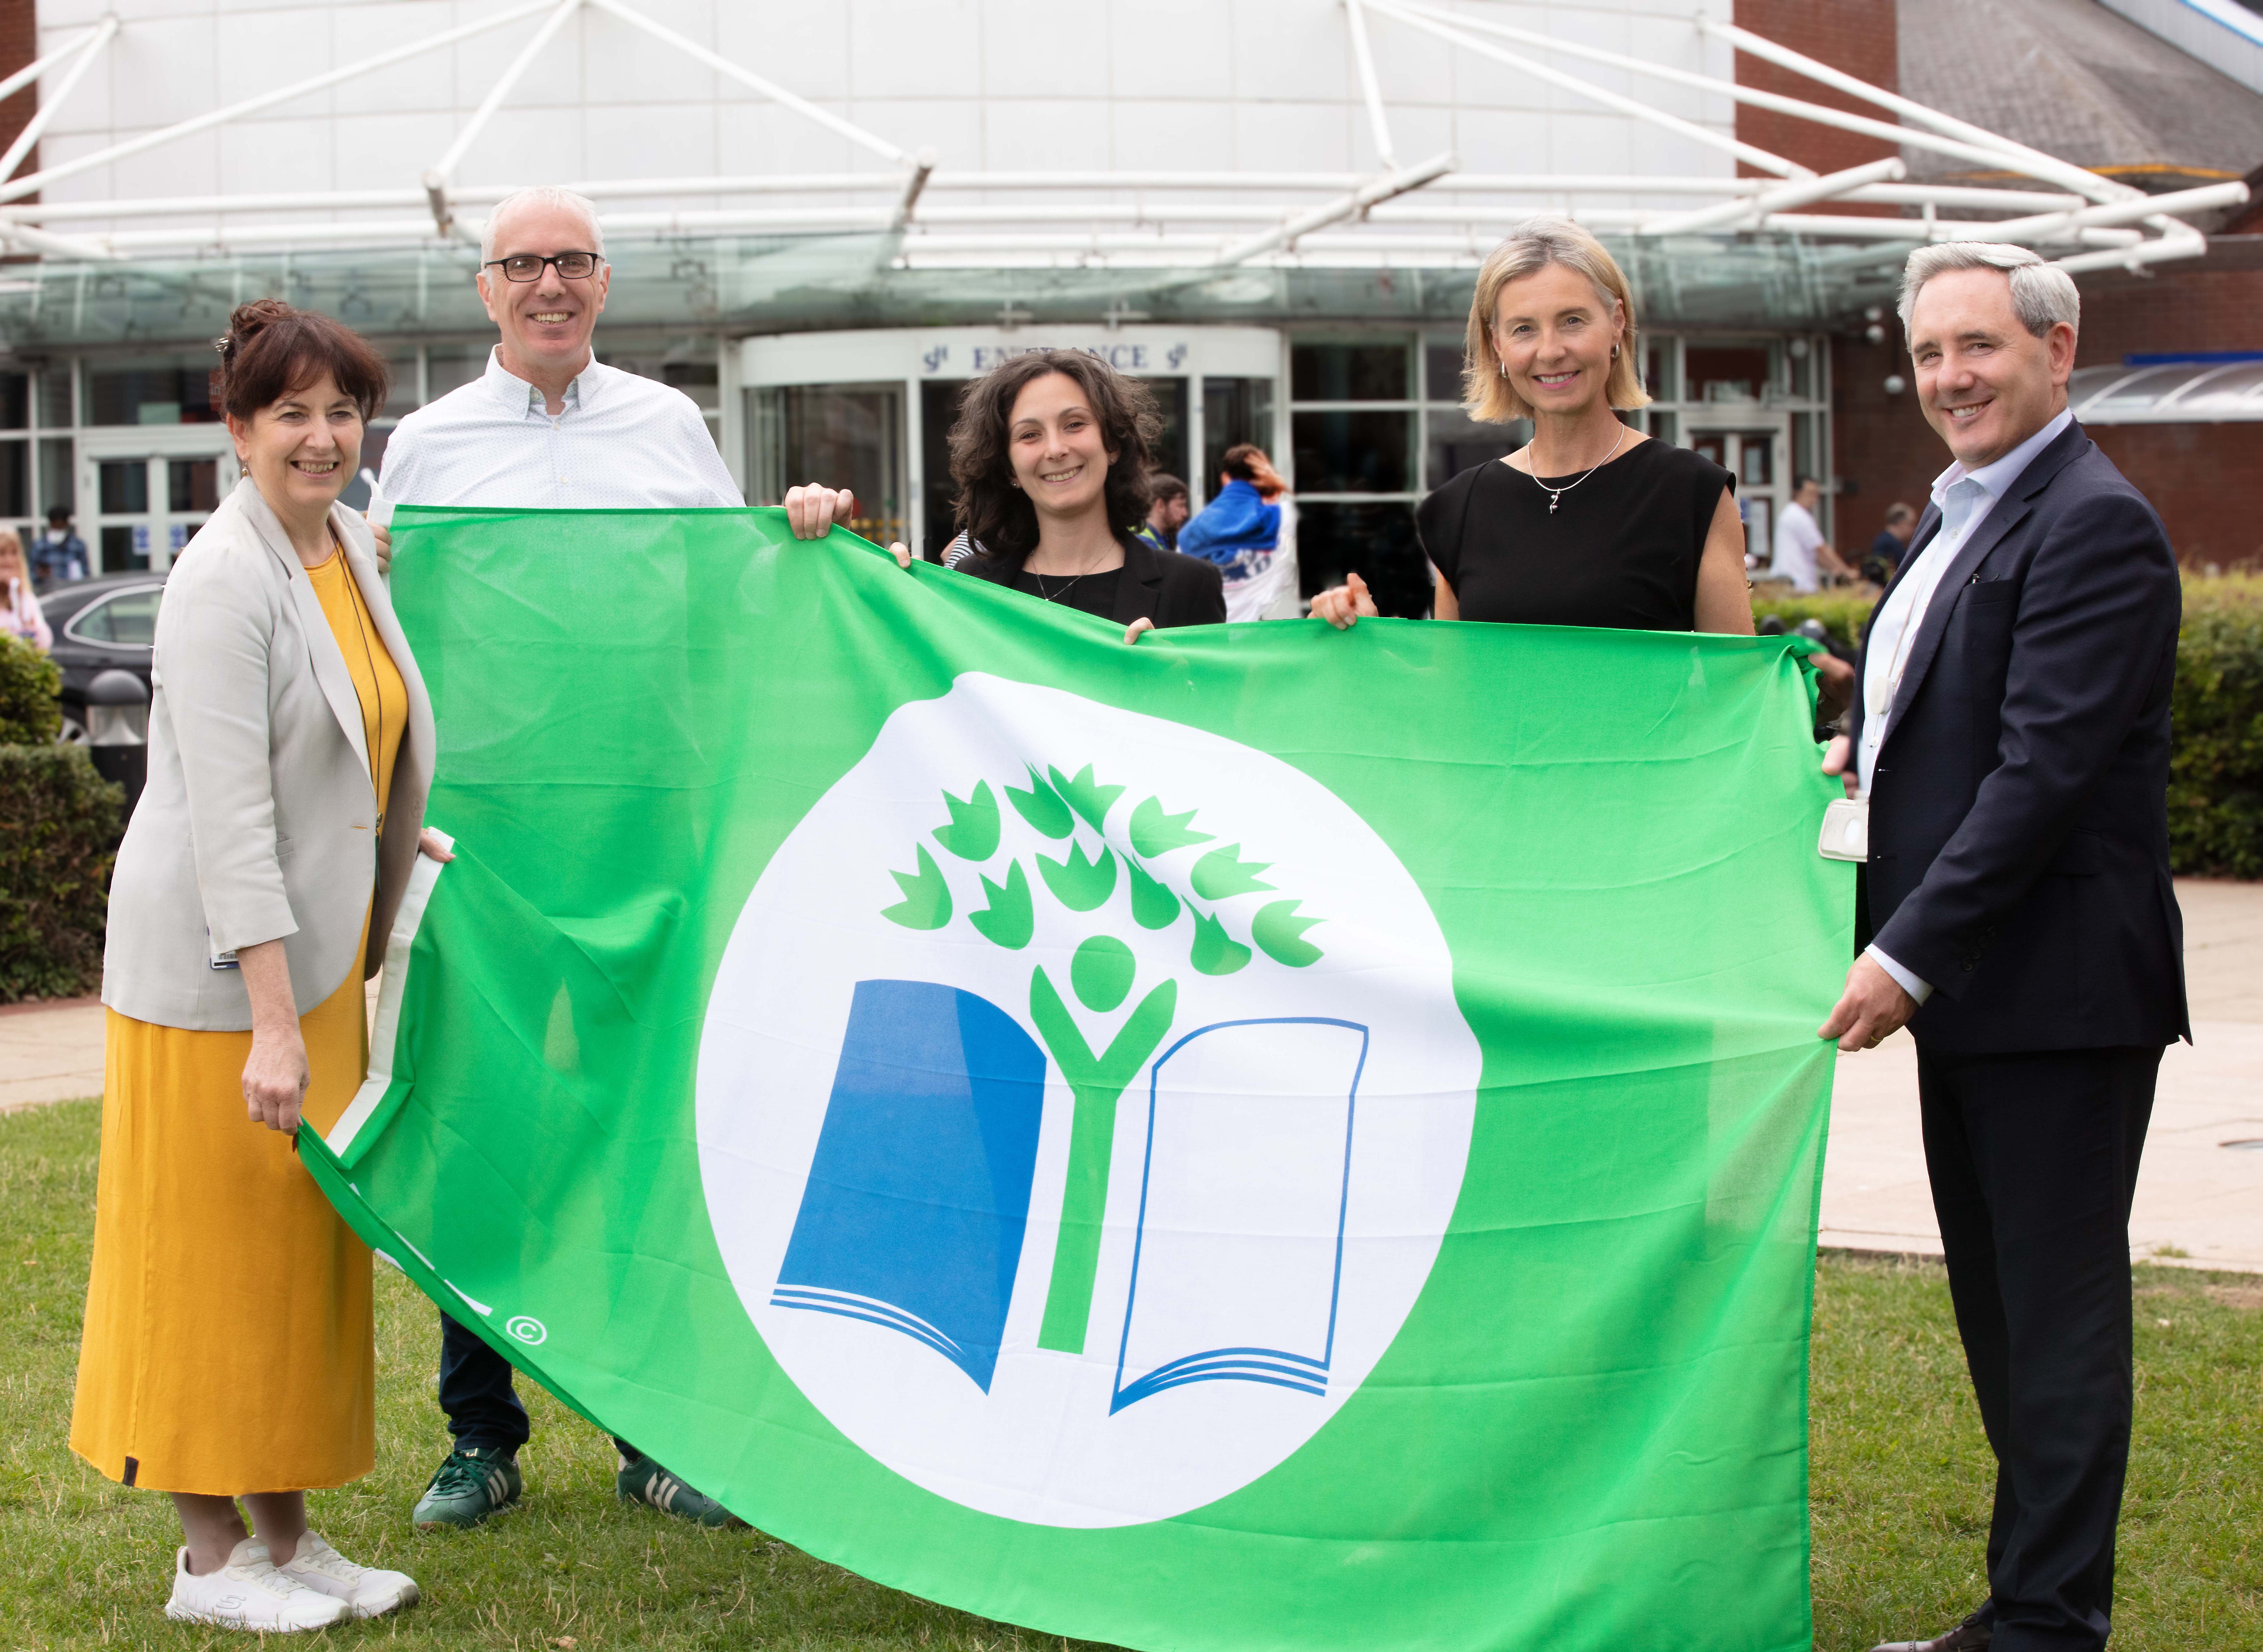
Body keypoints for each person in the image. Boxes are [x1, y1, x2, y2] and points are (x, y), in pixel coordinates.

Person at [1817, 244, 2186, 1652]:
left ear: (2055, 347)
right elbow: (1946, 724)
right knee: (2000, 1314)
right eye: (1928, 353)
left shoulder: (2091, 522)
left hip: (2056, 992)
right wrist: (1850, 747)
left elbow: (2040, 776)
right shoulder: (1957, 510)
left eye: (1977, 346)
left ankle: (2046, 1624)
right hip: (1982, 992)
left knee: (2052, 1319)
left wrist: (1902, 955)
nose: (1949, 377)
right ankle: (2024, 1608)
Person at [375, 185, 742, 1532]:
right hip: (483, 851)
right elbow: (376, 628)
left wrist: (810, 528)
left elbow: (738, 594)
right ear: (486, 289)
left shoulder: (671, 428)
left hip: (641, 839)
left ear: (604, 282)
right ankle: (481, 1435)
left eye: (572, 261)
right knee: (485, 1135)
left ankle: (655, 1434)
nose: (549, 284)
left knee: (645, 1134)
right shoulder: (424, 446)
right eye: (522, 263)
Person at [73, 300, 441, 1632]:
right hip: (223, 985)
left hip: (317, 965)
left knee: (290, 1259)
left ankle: (286, 1534)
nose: (323, 435)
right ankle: (209, 1558)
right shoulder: (220, 580)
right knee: (206, 1262)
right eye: (292, 412)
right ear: (237, 430)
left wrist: (394, 843)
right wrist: (275, 1026)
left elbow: (353, 740)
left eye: (343, 410)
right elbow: (232, 826)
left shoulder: (342, 542)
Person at [1310, 216, 1751, 638]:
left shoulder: (1693, 493)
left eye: (1572, 321)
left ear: (1617, 323)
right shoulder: (1460, 509)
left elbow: (1741, 680)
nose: (1550, 351)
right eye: (1524, 329)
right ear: (1498, 344)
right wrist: (1364, 637)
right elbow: (1452, 681)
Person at [785, 350, 1225, 637]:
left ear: (1112, 444)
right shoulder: (968, 586)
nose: (1056, 449)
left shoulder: (1189, 586)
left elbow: (1223, 732)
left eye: (1075, 424)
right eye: (1030, 435)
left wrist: (1168, 679)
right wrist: (842, 561)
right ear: (1010, 467)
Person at [1179, 444, 1296, 621]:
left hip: (1213, 630)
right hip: (1259, 630)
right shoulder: (1281, 518)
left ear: (1226, 479)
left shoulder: (1191, 533)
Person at [1771, 474, 1850, 593]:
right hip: (1796, 581)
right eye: (1810, 493)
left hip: (1791, 579)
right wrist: (1846, 571)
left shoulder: (1790, 513)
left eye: (1816, 494)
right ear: (1797, 492)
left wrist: (1833, 567)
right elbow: (1821, 549)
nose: (1814, 498)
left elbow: (1816, 552)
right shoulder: (1799, 516)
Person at [1, 529, 51, 649]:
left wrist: (17, 597)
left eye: (14, 553)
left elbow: (44, 644)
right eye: (2, 554)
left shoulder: (26, 598)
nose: (9, 561)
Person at [30, 504, 88, 587]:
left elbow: (86, 574)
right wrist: (39, 575)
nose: (58, 530)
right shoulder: (40, 546)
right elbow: (31, 574)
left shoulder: (78, 546)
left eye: (61, 527)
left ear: (67, 524)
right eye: (56, 527)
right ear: (51, 524)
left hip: (71, 590)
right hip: (47, 590)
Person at [1866, 501, 1917, 586]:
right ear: (1902, 523)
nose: (1915, 528)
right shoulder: (1890, 544)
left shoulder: (1886, 540)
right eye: (1912, 524)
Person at [1137, 472, 1189, 550]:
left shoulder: (1163, 537)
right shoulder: (1145, 544)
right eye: (1180, 506)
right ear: (1161, 505)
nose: (1185, 513)